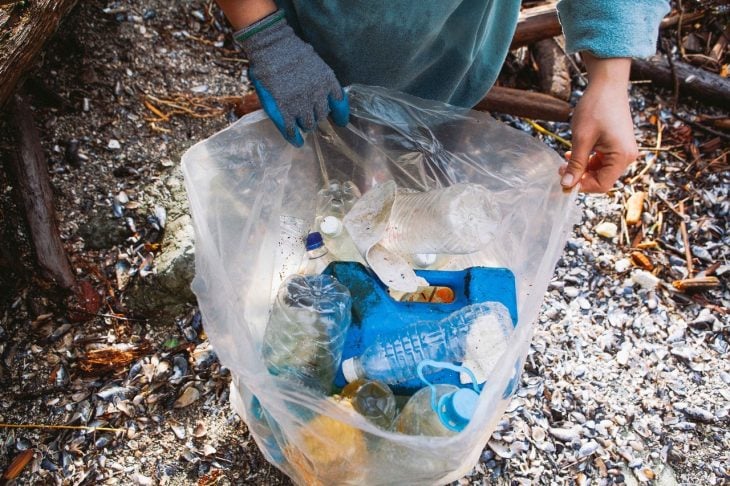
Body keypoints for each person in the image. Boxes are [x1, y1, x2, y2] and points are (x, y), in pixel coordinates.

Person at [215, 1, 669, 193]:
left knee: (419, 174)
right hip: (321, 47)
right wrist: (268, 38)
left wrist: (610, 77)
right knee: (323, 181)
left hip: (456, 51)